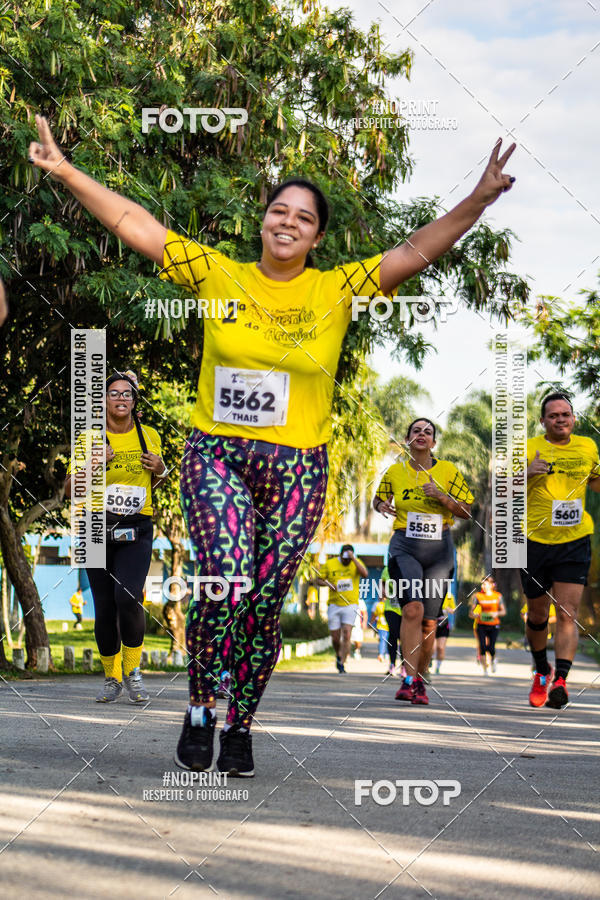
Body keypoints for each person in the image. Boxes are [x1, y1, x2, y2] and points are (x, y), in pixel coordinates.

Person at [30, 113, 515, 772]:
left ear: (317, 236)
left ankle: (242, 726)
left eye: (304, 217)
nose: (287, 221)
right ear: (263, 221)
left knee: (260, 606)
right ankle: (202, 704)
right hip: (217, 456)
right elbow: (133, 223)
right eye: (278, 211)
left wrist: (478, 201)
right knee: (224, 580)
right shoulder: (217, 274)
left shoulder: (337, 289)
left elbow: (418, 249)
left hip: (297, 469)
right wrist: (64, 170)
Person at [65, 371, 167, 703]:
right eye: (114, 393)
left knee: (128, 596)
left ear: (135, 402)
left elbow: (155, 482)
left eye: (127, 394)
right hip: (96, 526)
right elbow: (69, 490)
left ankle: (133, 672)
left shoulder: (149, 435)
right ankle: (112, 677)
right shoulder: (88, 440)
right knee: (105, 606)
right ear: (104, 401)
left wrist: (162, 469)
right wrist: (94, 464)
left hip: (137, 526)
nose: (120, 398)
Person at [374, 418, 474, 705]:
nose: (421, 435)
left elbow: (466, 511)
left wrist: (443, 497)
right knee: (412, 610)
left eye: (427, 432)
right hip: (405, 544)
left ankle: (419, 677)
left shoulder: (448, 471)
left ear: (434, 442)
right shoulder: (395, 471)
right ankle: (407, 677)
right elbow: (379, 500)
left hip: (439, 548)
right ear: (408, 439)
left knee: (430, 622)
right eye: (416, 431)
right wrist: (381, 504)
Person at [522, 393, 600, 708]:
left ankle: (561, 681)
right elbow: (499, 489)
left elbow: (596, 481)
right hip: (533, 540)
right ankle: (542, 670)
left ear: (573, 419)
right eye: (553, 415)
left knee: (567, 612)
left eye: (565, 414)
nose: (560, 419)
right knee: (538, 613)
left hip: (574, 538)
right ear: (543, 421)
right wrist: (527, 473)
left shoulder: (588, 447)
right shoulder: (527, 449)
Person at [318, 545, 368, 672]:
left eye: (349, 559)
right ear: (340, 555)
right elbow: (318, 580)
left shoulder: (355, 563)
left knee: (347, 634)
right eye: (345, 559)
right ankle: (338, 654)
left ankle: (342, 662)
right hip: (334, 604)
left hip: (351, 604)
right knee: (335, 638)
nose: (347, 562)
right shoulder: (330, 564)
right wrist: (329, 584)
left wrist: (354, 559)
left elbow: (365, 574)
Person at [470, 577, 505, 674]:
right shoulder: (478, 596)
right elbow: (471, 612)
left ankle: (493, 660)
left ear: (491, 585)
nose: (483, 586)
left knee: (491, 647)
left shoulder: (497, 596)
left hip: (494, 625)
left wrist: (496, 614)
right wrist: (474, 614)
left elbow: (503, 611)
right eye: (482, 584)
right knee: (482, 646)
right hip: (481, 624)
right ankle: (485, 669)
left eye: (485, 584)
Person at [381, 564, 403, 676]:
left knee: (405, 636)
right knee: (394, 634)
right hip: (391, 607)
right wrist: (384, 592)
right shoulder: (388, 569)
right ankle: (392, 664)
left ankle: (404, 666)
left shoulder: (411, 567)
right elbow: (382, 583)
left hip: (406, 609)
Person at [433, 590, 456, 675]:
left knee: (441, 647)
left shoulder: (449, 596)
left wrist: (446, 608)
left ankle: (438, 667)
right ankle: (429, 660)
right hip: (432, 624)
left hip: (443, 624)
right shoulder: (432, 594)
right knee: (432, 648)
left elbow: (453, 610)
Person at [351, 594, 367, 659]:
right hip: (348, 623)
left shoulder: (360, 601)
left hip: (357, 624)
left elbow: (365, 613)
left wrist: (364, 622)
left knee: (358, 640)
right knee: (347, 639)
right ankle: (346, 654)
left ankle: (357, 650)